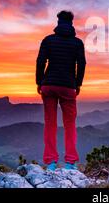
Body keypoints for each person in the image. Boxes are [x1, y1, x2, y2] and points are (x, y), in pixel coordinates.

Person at [36, 10, 86, 171]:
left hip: (49, 85)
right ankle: (70, 162)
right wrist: (77, 84)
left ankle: (50, 162)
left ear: (58, 22)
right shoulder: (77, 43)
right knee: (69, 124)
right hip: (68, 87)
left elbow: (41, 61)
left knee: (50, 123)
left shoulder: (48, 40)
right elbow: (82, 64)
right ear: (71, 23)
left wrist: (40, 82)